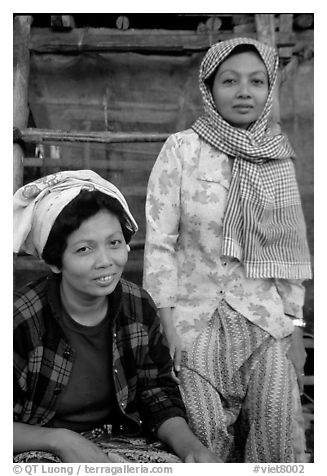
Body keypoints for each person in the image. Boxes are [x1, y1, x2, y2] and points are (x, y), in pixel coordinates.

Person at [143, 37, 312, 463]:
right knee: (202, 438)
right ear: (209, 88)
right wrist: (166, 324)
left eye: (256, 82)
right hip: (193, 322)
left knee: (275, 436)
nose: (243, 91)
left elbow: (289, 251)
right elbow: (160, 243)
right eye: (230, 80)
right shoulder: (181, 150)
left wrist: (295, 328)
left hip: (264, 321)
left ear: (269, 90)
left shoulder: (277, 158)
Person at [13, 169, 221, 463]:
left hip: (123, 440)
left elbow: (156, 394)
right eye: (85, 249)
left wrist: (191, 448)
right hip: (41, 448)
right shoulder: (20, 320)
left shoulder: (137, 306)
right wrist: (60, 440)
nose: (106, 262)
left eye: (114, 243)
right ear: (55, 262)